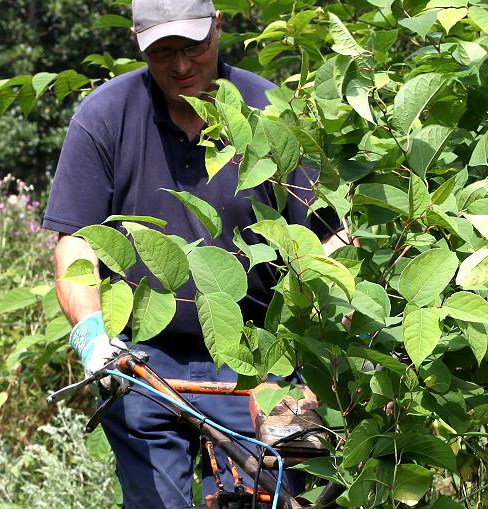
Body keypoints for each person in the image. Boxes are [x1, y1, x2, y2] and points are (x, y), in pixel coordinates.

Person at [39, 0, 347, 506]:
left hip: (262, 355)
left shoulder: (270, 111)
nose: (181, 66)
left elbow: (330, 236)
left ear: (218, 28)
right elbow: (76, 242)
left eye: (194, 47)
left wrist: (331, 347)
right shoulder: (104, 117)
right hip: (143, 360)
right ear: (138, 45)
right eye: (163, 53)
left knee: (268, 497)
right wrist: (93, 337)